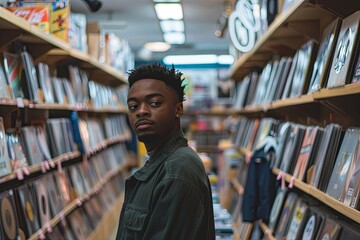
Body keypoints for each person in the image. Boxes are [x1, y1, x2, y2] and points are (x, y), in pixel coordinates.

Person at [116, 63, 215, 240]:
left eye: (154, 103)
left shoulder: (176, 170)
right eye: (133, 106)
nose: (141, 112)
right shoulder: (164, 163)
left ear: (178, 109)